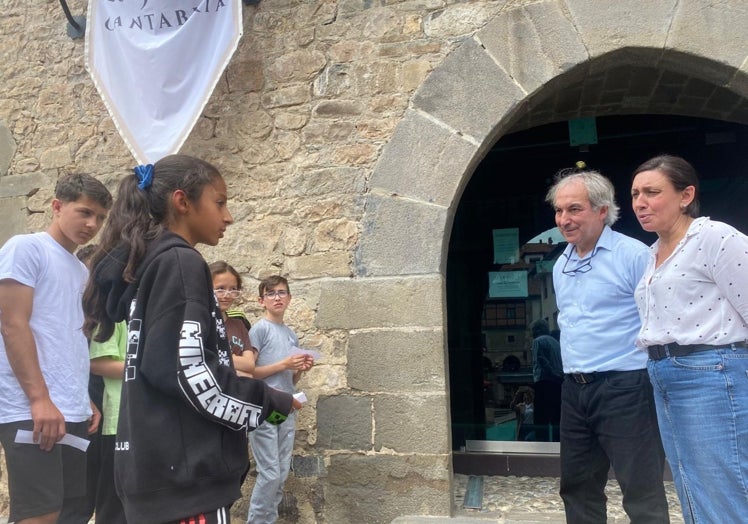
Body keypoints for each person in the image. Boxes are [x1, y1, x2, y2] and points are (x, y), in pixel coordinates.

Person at [82, 154, 301, 524]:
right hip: (185, 478)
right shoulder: (180, 264)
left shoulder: (153, 266)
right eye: (219, 203)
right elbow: (191, 374)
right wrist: (272, 403)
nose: (228, 216)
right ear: (182, 202)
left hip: (156, 469)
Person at [547, 168, 669, 523]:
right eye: (559, 211)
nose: (564, 220)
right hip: (575, 388)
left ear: (602, 211)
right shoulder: (560, 265)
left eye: (574, 209)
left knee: (640, 489)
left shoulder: (633, 255)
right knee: (577, 487)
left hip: (626, 386)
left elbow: (657, 318)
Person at [631, 154, 748, 523]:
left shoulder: (714, 238)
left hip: (712, 373)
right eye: (635, 194)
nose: (640, 203)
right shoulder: (653, 253)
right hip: (665, 374)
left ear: (686, 195)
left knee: (721, 485)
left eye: (652, 192)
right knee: (688, 482)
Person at [0, 173, 112, 524]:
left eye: (100, 218)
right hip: (31, 407)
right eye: (84, 212)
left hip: (70, 407)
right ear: (57, 206)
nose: (92, 224)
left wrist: (83, 397)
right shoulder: (25, 248)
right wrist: (38, 399)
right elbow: (12, 324)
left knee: (69, 511)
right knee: (40, 515)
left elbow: (66, 336)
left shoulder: (79, 270)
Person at [247, 275, 314, 524]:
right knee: (270, 473)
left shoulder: (290, 334)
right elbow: (250, 372)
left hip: (286, 407)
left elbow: (289, 381)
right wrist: (285, 363)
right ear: (261, 300)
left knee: (281, 472)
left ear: (290, 298)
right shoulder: (259, 330)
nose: (278, 297)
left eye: (282, 293)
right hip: (264, 407)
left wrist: (299, 369)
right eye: (272, 293)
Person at [209, 260, 256, 377]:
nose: (227, 295)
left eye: (233, 289)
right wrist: (238, 370)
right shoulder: (202, 323)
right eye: (220, 289)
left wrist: (222, 359)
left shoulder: (239, 324)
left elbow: (250, 364)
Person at [528, 318, 563, 441]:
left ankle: (542, 448)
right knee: (556, 419)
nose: (531, 333)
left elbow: (541, 361)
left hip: (544, 382)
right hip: (558, 383)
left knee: (541, 420)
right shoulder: (555, 342)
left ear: (537, 330)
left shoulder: (537, 341)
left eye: (532, 330)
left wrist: (551, 374)